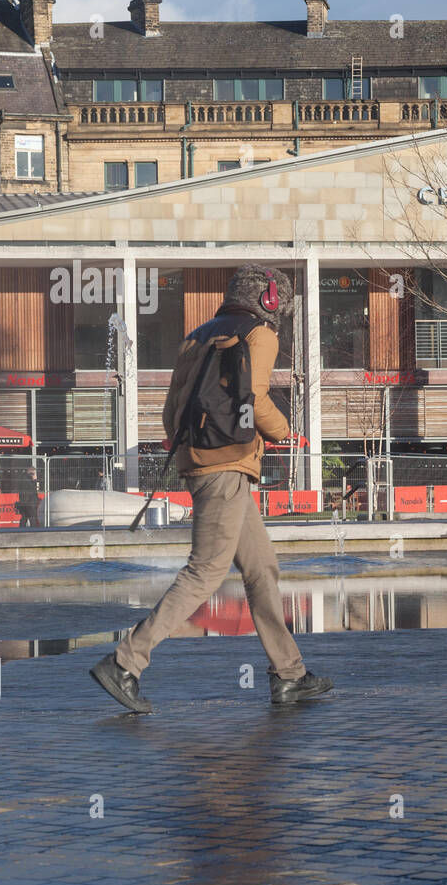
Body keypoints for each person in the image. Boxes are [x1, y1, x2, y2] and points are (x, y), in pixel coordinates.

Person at [90, 265, 332, 713]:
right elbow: (256, 399)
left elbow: (170, 412)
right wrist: (284, 431)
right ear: (270, 298)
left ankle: (290, 674)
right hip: (228, 466)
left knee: (262, 569)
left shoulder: (197, 336)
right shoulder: (259, 334)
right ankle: (126, 661)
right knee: (205, 571)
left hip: (204, 464)